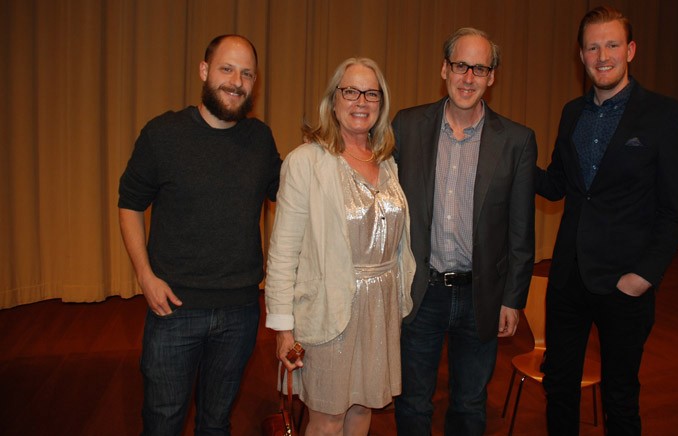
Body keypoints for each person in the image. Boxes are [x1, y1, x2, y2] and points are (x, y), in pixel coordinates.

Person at [117, 34, 281, 434]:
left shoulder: (260, 140)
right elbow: (130, 204)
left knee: (216, 422)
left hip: (240, 311)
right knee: (163, 420)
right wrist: (144, 276)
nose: (236, 81)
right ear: (205, 71)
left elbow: (294, 199)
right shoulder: (162, 134)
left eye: (246, 74)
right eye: (227, 69)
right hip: (173, 309)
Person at [536, 5, 678, 435]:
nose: (602, 55)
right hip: (568, 280)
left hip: (626, 284)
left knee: (620, 397)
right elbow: (557, 185)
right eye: (592, 47)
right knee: (559, 388)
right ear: (581, 56)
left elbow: (673, 212)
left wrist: (643, 276)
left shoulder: (665, 115)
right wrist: (508, 156)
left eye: (612, 44)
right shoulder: (572, 113)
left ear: (631, 50)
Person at [393, 27, 537, 435]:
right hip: (422, 292)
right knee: (413, 403)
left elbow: (521, 233)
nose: (468, 77)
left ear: (492, 77)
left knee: (471, 406)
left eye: (479, 68)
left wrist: (513, 298)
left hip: (482, 298)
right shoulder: (407, 126)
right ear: (444, 69)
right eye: (460, 65)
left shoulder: (517, 141)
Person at [264, 57, 416, 435]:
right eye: (350, 91)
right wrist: (283, 327)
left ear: (381, 105)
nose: (360, 101)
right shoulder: (306, 163)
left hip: (381, 306)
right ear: (333, 101)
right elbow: (283, 251)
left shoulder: (389, 163)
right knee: (328, 416)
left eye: (371, 93)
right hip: (330, 308)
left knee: (363, 408)